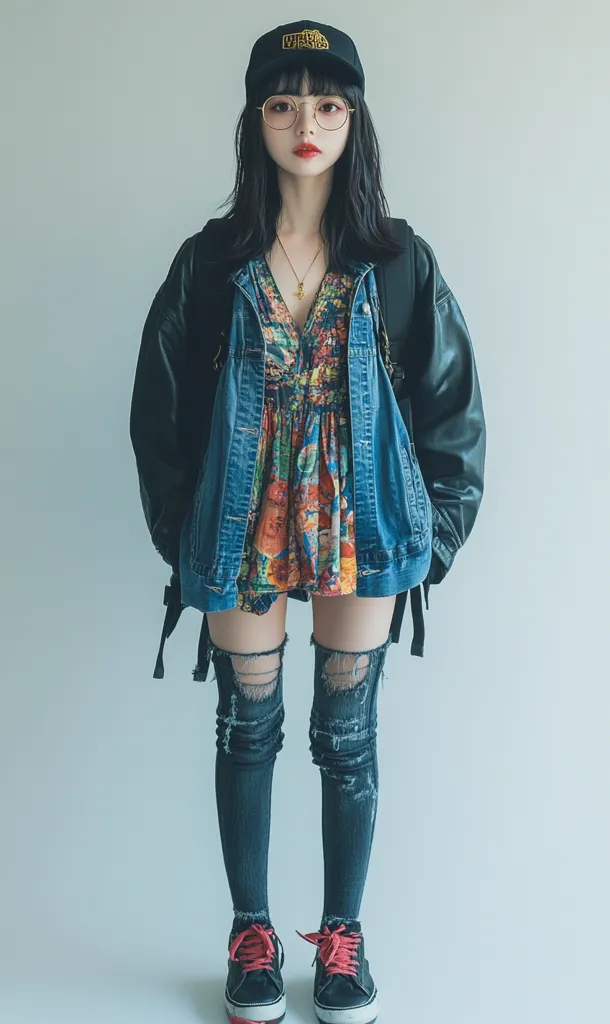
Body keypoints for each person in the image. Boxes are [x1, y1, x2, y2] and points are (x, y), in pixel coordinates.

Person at [130, 19, 486, 1024]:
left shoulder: (397, 259)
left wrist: (432, 541)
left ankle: (340, 941)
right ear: (254, 118)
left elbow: (454, 412)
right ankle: (250, 935)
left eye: (326, 104)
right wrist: (182, 536)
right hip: (242, 530)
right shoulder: (211, 262)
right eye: (282, 102)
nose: (305, 123)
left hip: (362, 534)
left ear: (353, 119)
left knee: (348, 738)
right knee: (246, 731)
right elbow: (156, 411)